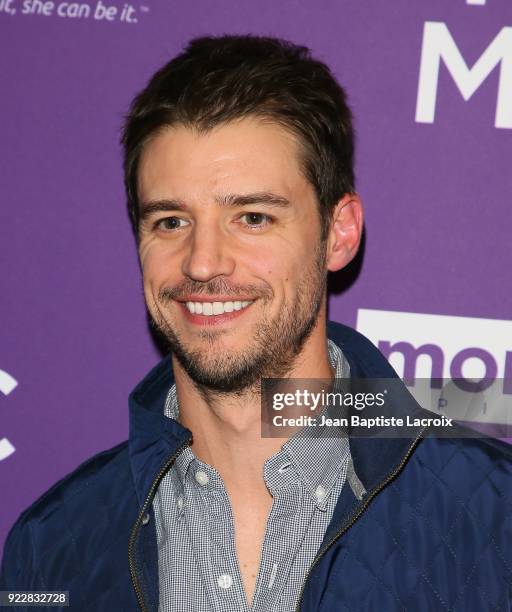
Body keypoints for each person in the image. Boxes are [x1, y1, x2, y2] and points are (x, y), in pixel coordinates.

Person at [1, 35, 511, 612]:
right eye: (170, 222)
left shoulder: (496, 516)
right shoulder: (50, 550)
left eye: (252, 216)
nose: (203, 262)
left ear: (338, 233)